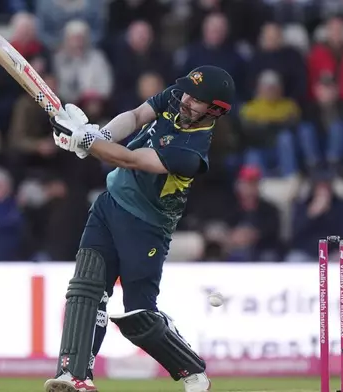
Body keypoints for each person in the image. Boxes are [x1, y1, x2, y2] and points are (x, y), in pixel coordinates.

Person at [46, 65, 235, 392]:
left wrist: (86, 142)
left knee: (138, 316)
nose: (187, 100)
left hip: (146, 227)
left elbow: (133, 160)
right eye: (188, 92)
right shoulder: (175, 98)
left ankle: (192, 371)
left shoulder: (191, 152)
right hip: (109, 205)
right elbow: (134, 116)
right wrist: (99, 135)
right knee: (86, 289)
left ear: (216, 110)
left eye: (198, 99)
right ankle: (73, 376)